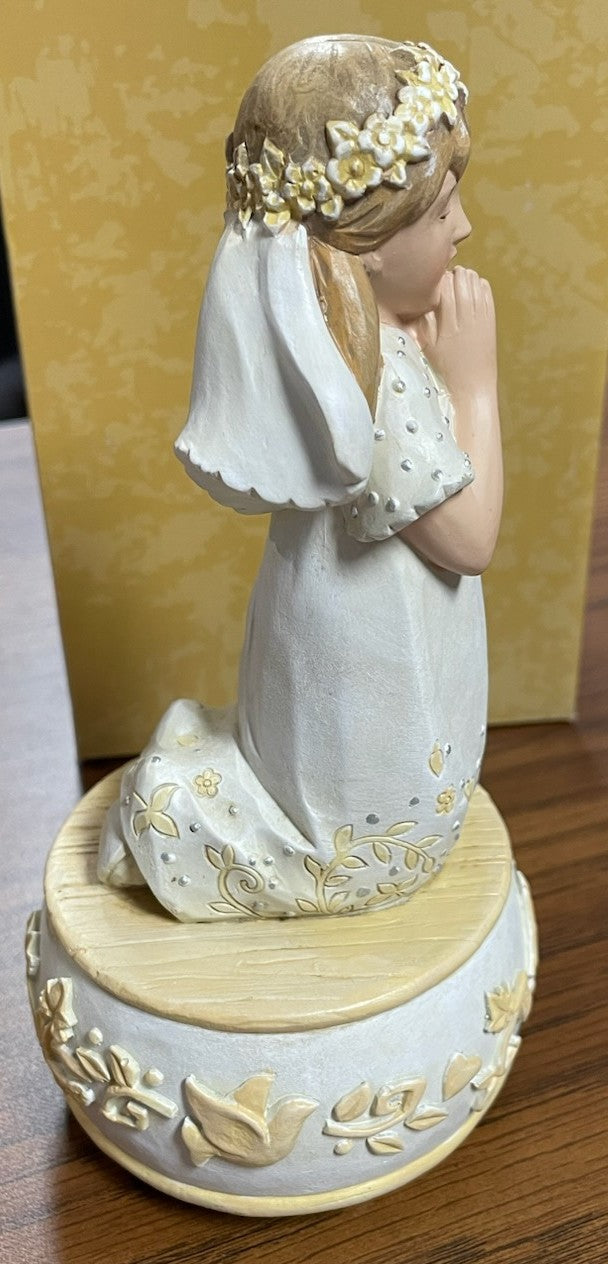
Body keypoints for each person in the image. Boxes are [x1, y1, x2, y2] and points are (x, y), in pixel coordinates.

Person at [98, 35, 502, 923]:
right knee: (358, 836)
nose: (464, 227)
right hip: (371, 700)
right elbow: (471, 539)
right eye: (442, 210)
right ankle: (229, 827)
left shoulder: (356, 349)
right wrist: (475, 385)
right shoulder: (379, 380)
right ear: (369, 247)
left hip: (357, 660)